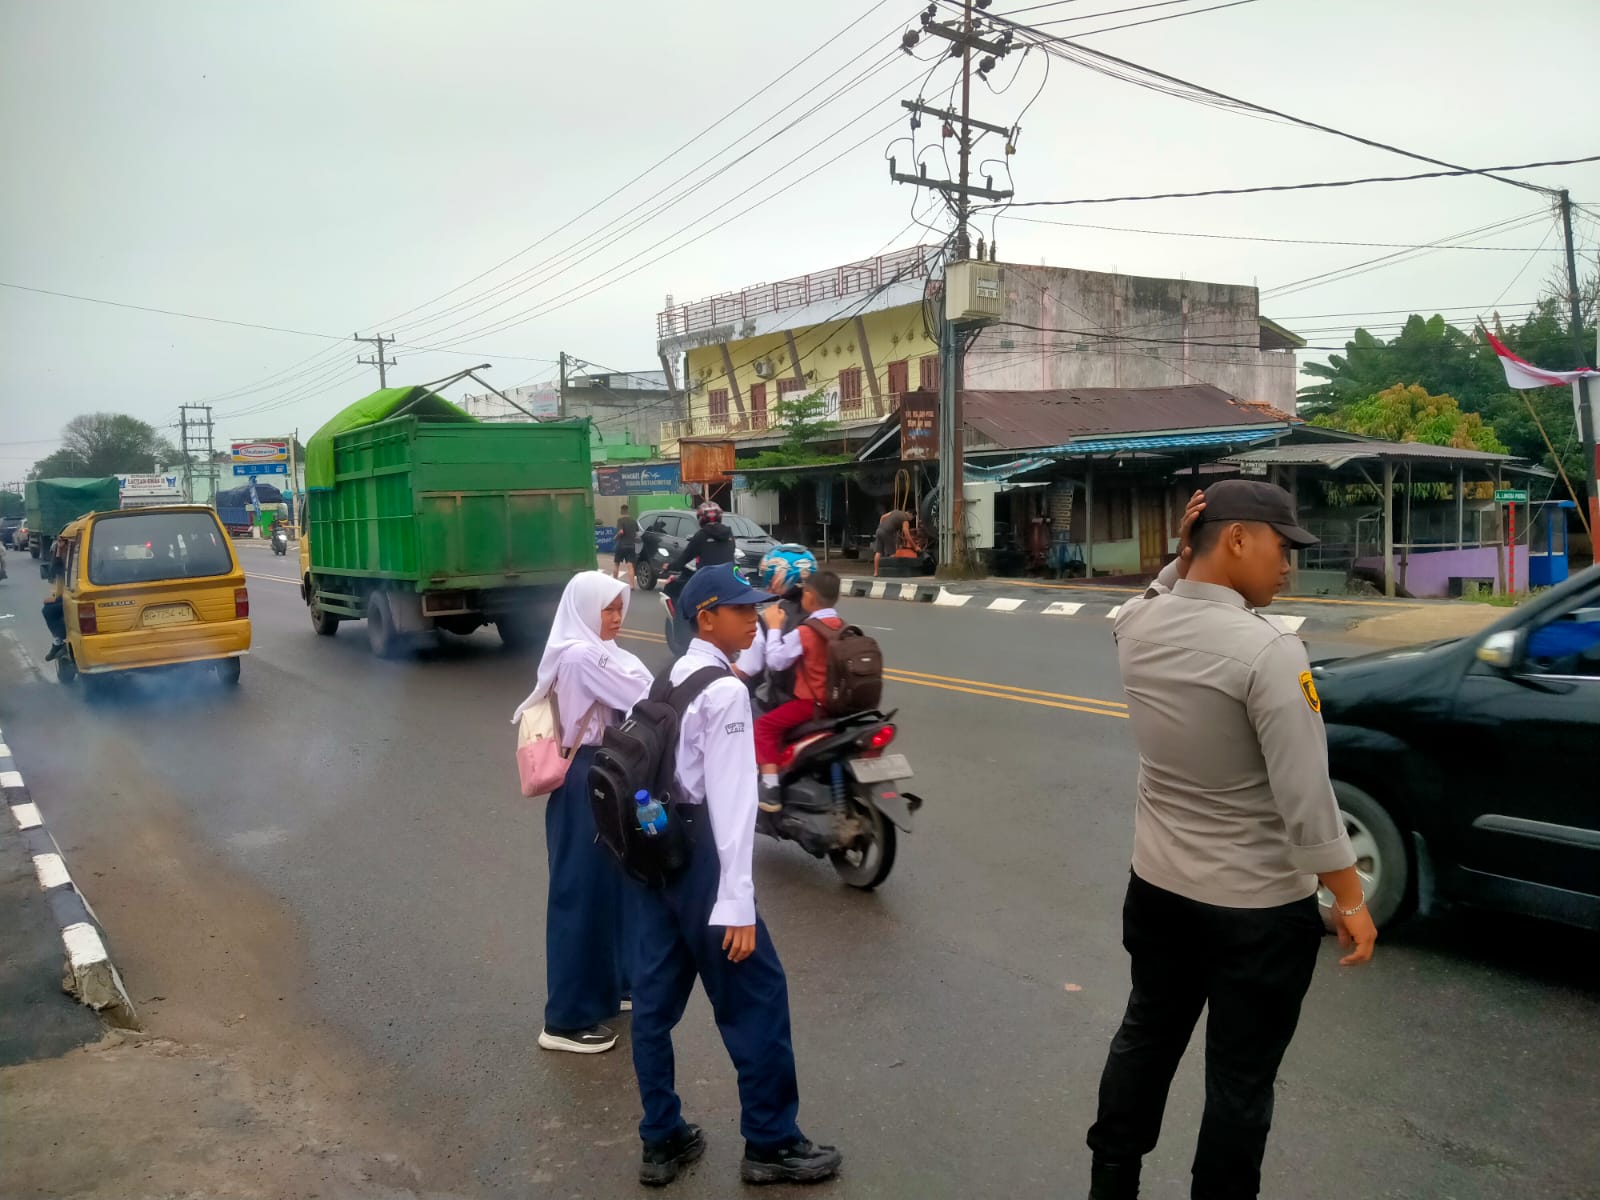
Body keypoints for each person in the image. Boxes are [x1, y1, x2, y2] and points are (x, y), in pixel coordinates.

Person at [1085, 480, 1377, 1200]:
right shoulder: (1269, 651)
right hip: (1256, 912)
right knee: (1240, 1081)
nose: (1290, 566)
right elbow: (1306, 798)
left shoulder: (1136, 625)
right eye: (1282, 547)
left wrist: (1180, 556)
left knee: (1146, 1039)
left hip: (1157, 890)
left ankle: (1111, 1181)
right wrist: (1349, 896)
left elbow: (1155, 595)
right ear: (1240, 540)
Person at [629, 562, 842, 1188]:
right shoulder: (721, 692)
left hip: (656, 857)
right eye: (743, 611)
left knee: (653, 1007)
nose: (756, 619)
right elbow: (731, 803)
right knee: (757, 1000)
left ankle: (661, 1139)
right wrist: (737, 903)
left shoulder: (673, 674)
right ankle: (771, 1144)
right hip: (700, 865)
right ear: (707, 617)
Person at [510, 571, 655, 1055]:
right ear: (584, 609)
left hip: (607, 771)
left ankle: (615, 983)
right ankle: (566, 1020)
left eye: (620, 608)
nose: (615, 617)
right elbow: (643, 693)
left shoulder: (600, 651)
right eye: (606, 608)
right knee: (580, 894)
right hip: (585, 777)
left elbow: (641, 680)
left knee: (613, 886)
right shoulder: (579, 655)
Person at [751, 570, 844, 809]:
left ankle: (770, 787)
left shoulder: (807, 630)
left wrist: (774, 626)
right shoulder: (841, 627)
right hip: (838, 703)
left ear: (810, 597)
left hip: (810, 705)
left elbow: (775, 661)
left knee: (764, 726)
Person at [666, 503, 736, 574]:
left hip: (708, 578)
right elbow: (731, 551)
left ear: (700, 518)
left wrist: (669, 566)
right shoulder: (729, 533)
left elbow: (684, 559)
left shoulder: (701, 535)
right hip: (730, 577)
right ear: (720, 517)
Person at [42, 536, 69, 662]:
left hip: (73, 597)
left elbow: (58, 569)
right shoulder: (67, 556)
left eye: (62, 542)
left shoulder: (76, 556)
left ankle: (62, 640)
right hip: (67, 595)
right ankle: (59, 641)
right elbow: (56, 570)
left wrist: (60, 550)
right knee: (48, 608)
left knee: (49, 611)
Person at [872, 508, 912, 577]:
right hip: (888, 532)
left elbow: (882, 517)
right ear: (911, 515)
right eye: (912, 518)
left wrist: (881, 526)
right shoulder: (905, 519)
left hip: (879, 530)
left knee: (878, 552)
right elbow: (907, 534)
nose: (911, 520)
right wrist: (914, 546)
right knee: (892, 553)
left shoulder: (895, 511)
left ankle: (875, 572)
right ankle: (890, 573)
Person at [613, 504, 640, 588]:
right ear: (628, 511)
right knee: (630, 565)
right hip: (631, 545)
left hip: (621, 545)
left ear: (621, 511)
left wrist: (615, 537)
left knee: (616, 563)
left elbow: (621, 532)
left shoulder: (620, 520)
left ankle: (614, 583)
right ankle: (632, 585)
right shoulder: (633, 521)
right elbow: (637, 532)